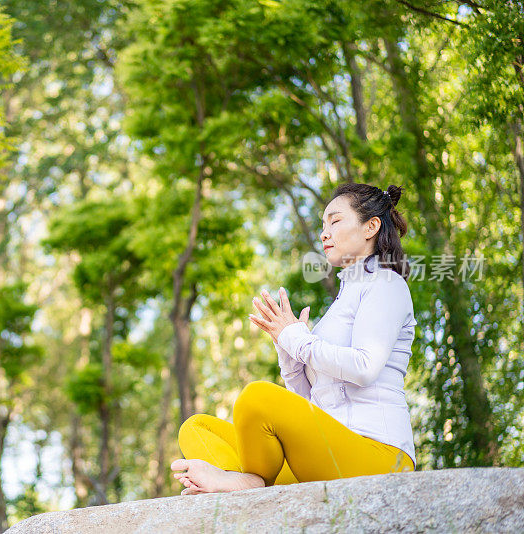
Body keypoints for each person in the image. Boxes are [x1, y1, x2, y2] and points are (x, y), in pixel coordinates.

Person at [170, 183, 418, 495]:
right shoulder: (341, 304)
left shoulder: (386, 283)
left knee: (256, 398)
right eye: (322, 225)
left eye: (335, 221)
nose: (324, 233)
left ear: (371, 226)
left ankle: (247, 480)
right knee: (197, 428)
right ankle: (245, 483)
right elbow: (310, 404)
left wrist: (298, 339)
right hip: (327, 455)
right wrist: (287, 350)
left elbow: (365, 367)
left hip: (377, 456)